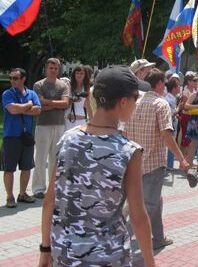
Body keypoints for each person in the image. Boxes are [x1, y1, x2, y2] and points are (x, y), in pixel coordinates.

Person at [39, 65, 155, 267]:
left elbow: (50, 200)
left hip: (65, 254)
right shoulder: (129, 151)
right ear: (123, 102)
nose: (136, 105)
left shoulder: (68, 139)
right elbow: (137, 215)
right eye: (135, 99)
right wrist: (150, 263)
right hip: (108, 257)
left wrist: (45, 249)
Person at [123, 68, 192, 251]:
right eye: (164, 83)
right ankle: (120, 241)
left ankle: (159, 238)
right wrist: (182, 160)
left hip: (134, 161)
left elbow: (125, 132)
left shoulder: (135, 102)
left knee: (155, 201)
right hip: (153, 163)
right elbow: (167, 136)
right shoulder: (160, 104)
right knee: (148, 206)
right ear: (160, 84)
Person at [2, 68, 41, 208]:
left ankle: (23, 193)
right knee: (9, 169)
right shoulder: (7, 94)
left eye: (15, 78)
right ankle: (9, 196)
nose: (12, 81)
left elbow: (38, 110)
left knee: (27, 167)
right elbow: (12, 109)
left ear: (23, 79)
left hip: (27, 137)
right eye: (11, 78)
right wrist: (29, 105)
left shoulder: (32, 93)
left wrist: (22, 108)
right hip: (11, 136)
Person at [32, 58, 70, 199]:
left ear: (58, 69)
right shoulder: (38, 85)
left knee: (55, 158)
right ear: (46, 69)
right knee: (41, 158)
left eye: (55, 68)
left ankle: (53, 187)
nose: (53, 70)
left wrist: (48, 104)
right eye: (50, 68)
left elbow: (65, 103)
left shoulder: (63, 85)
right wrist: (56, 104)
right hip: (42, 124)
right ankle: (38, 188)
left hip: (59, 124)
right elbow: (39, 104)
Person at [64, 65, 90, 131]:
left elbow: (88, 105)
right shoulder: (68, 86)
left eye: (81, 73)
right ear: (74, 74)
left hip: (82, 119)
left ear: (85, 75)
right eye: (77, 73)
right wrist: (72, 101)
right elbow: (65, 104)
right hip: (69, 119)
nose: (79, 75)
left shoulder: (87, 88)